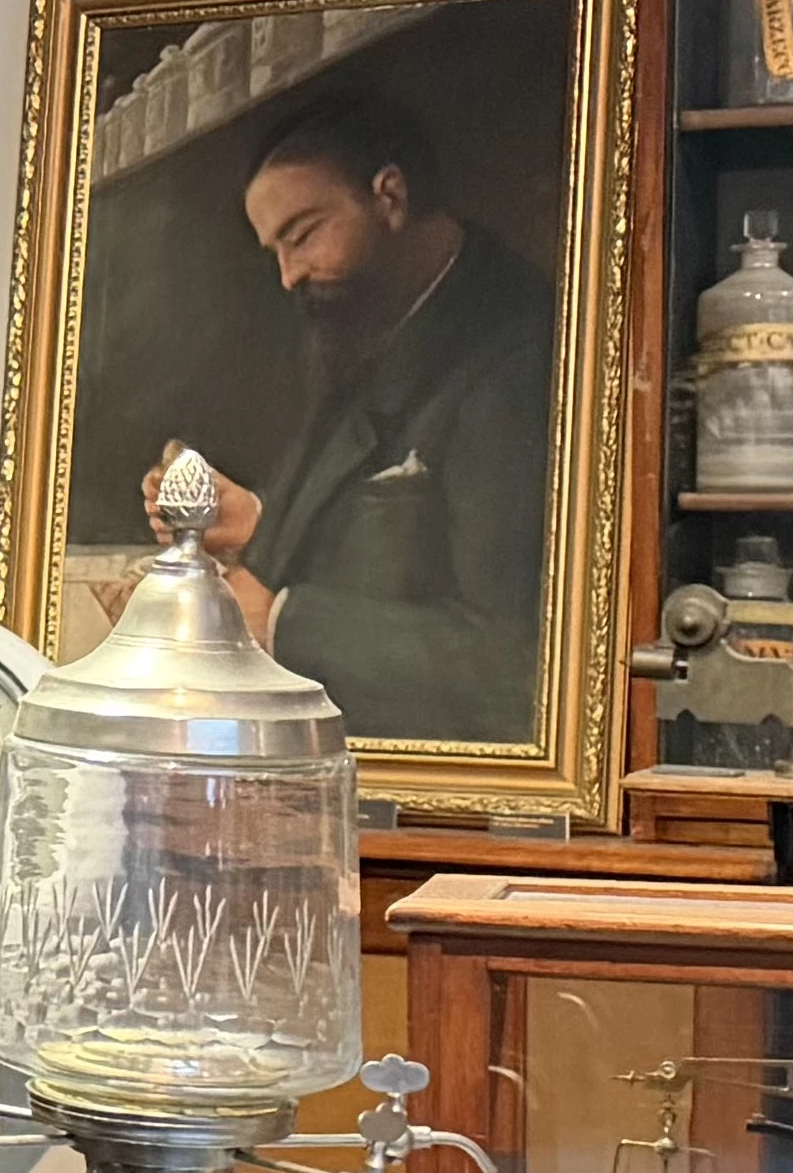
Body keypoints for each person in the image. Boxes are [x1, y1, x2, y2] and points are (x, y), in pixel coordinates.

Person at [165, 98, 550, 742]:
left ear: (390, 197)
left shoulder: (516, 351)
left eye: (303, 234)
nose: (288, 276)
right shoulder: (374, 320)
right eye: (275, 251)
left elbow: (515, 662)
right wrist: (258, 525)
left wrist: (280, 621)